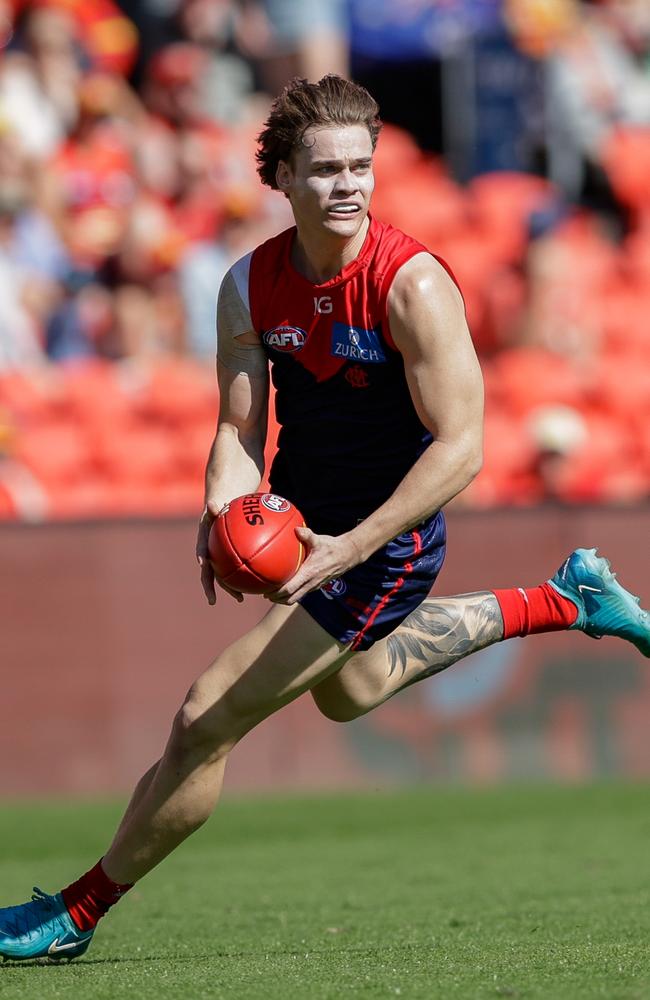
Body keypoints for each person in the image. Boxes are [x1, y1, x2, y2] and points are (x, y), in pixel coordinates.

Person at [0, 75, 648, 963]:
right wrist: (223, 502)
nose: (348, 185)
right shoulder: (249, 283)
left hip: (385, 537)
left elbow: (462, 449)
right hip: (310, 526)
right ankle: (567, 600)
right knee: (355, 690)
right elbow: (237, 427)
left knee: (203, 718)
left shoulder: (412, 285)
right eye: (326, 169)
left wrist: (354, 544)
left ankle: (75, 912)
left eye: (361, 167)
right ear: (283, 179)